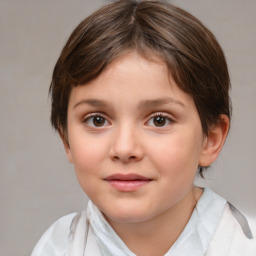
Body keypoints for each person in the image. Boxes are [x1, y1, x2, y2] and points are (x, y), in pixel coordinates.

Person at [31, 0, 255, 255]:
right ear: (66, 139)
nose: (124, 148)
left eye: (159, 120)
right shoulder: (56, 247)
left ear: (210, 139)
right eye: (97, 120)